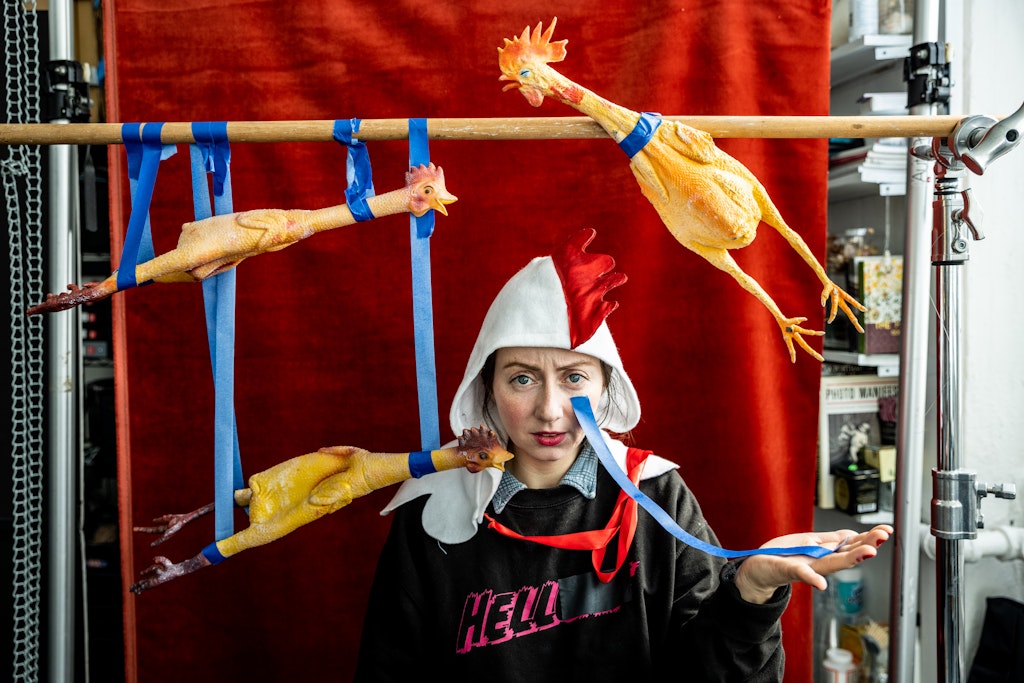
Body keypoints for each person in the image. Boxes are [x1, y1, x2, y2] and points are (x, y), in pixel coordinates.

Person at [354, 229, 891, 681]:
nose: (549, 410)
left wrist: (750, 591)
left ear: (606, 388)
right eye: (522, 378)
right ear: (487, 389)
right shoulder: (431, 511)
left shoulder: (656, 494)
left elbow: (710, 672)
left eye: (573, 378)